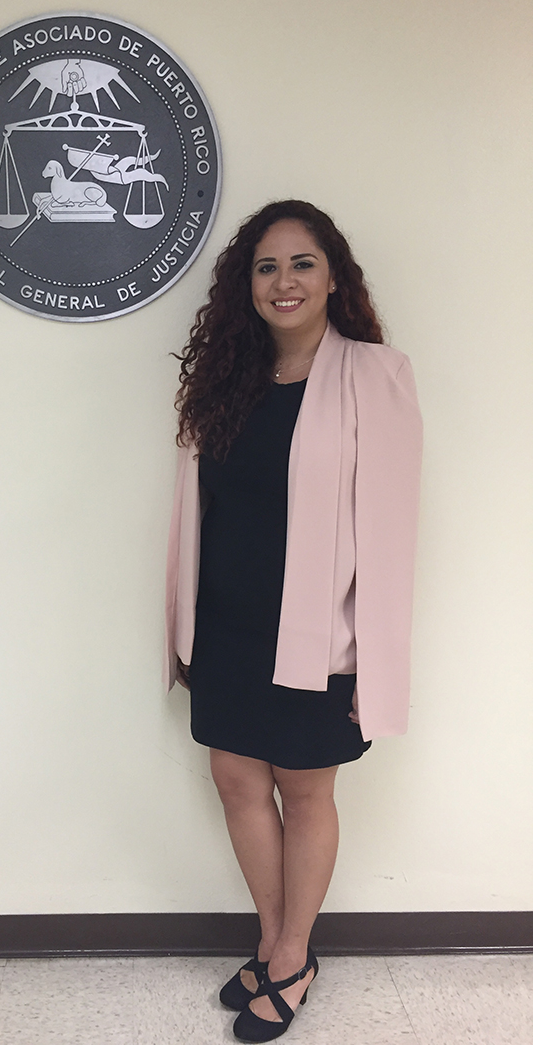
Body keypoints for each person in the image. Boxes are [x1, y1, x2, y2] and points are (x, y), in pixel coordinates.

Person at [164, 200, 423, 1042]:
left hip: (322, 638)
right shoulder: (224, 381)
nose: (284, 281)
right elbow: (201, 511)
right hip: (230, 622)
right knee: (239, 783)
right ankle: (281, 944)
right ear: (248, 286)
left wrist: (371, 665)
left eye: (302, 263)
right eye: (267, 266)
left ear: (334, 276)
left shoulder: (375, 377)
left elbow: (390, 531)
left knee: (306, 792)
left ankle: (290, 956)